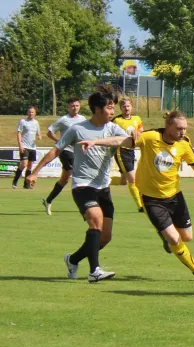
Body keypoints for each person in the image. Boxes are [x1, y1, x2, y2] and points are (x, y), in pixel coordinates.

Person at [78, 111, 194, 282]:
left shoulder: (184, 144)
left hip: (175, 197)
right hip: (152, 199)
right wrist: (96, 142)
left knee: (187, 237)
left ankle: (165, 236)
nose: (183, 132)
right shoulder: (150, 137)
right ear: (168, 126)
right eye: (179, 128)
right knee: (173, 238)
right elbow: (121, 141)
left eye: (185, 129)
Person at [27, 85, 128, 283]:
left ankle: (73, 259)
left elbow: (128, 142)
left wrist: (123, 139)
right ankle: (94, 271)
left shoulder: (113, 127)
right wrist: (35, 172)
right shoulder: (77, 129)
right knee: (95, 220)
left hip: (103, 187)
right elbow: (55, 150)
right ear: (98, 109)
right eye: (109, 107)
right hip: (82, 185)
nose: (112, 111)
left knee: (105, 237)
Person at [41, 97, 87, 215]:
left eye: (76, 105)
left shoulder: (83, 119)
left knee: (65, 179)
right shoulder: (63, 120)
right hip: (66, 151)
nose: (75, 108)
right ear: (68, 108)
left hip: (78, 152)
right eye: (72, 106)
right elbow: (49, 132)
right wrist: (61, 141)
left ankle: (48, 200)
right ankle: (85, 203)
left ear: (79, 106)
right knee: (76, 173)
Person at [112, 97, 144, 212]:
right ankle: (140, 205)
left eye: (128, 106)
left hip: (131, 150)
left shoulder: (136, 118)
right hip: (121, 151)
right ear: (120, 108)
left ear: (131, 107)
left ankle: (107, 181)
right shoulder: (116, 121)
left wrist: (138, 132)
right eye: (124, 106)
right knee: (133, 179)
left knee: (123, 181)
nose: (126, 108)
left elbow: (141, 129)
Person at [12, 106, 41, 189]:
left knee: (30, 166)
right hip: (24, 146)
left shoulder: (36, 123)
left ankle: (26, 184)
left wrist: (39, 137)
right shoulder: (23, 121)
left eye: (32, 112)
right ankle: (15, 181)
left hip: (33, 147)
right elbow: (19, 133)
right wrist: (20, 145)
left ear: (35, 113)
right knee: (24, 163)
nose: (31, 113)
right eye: (29, 112)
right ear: (27, 113)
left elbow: (38, 134)